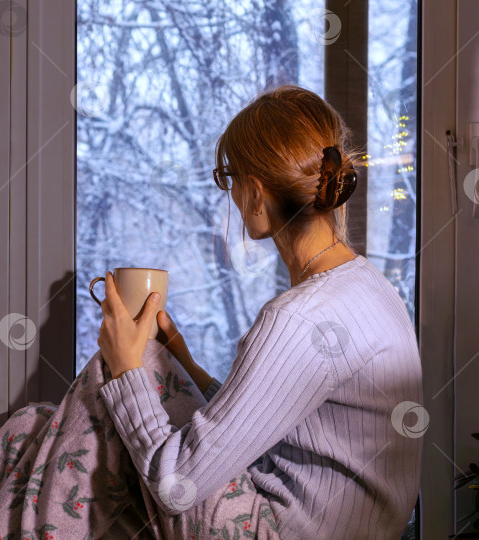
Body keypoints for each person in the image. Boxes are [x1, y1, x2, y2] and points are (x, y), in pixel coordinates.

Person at [96, 85, 423, 539]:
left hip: (287, 530)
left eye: (229, 176)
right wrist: (187, 366)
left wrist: (125, 369)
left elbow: (175, 488)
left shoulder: (297, 319)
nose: (229, 193)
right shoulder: (370, 287)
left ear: (254, 193)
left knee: (76, 417)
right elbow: (271, 430)